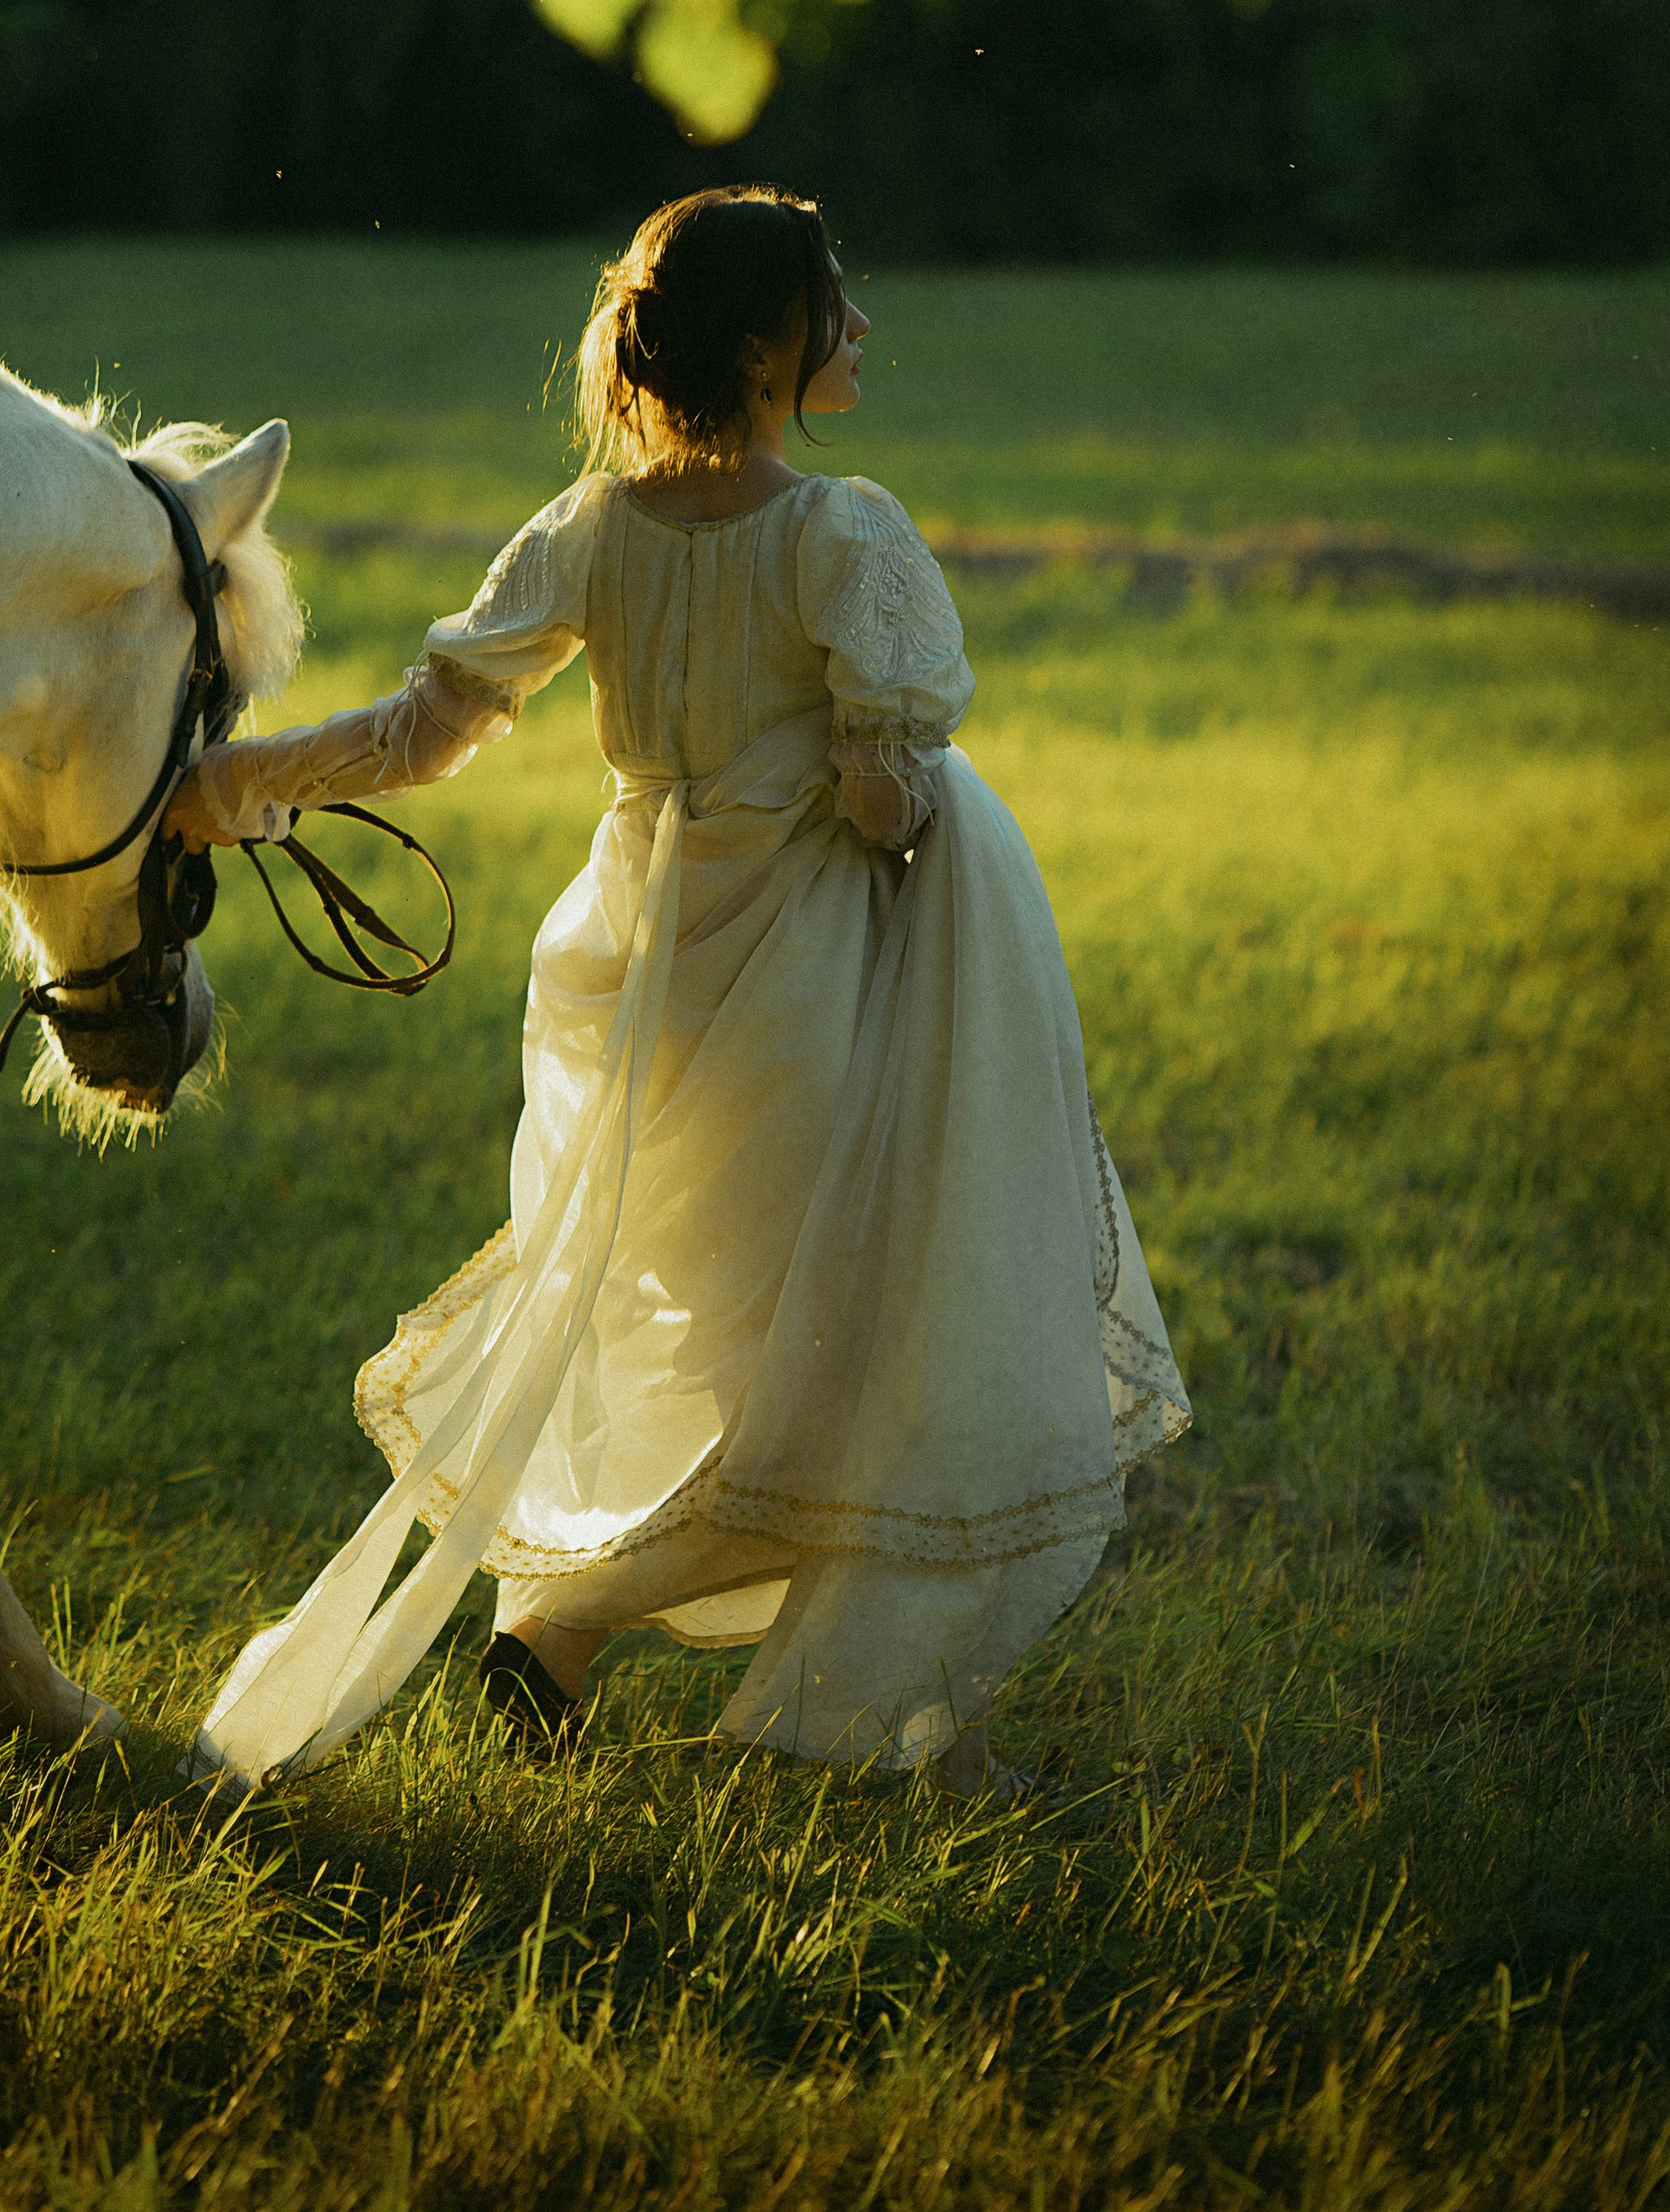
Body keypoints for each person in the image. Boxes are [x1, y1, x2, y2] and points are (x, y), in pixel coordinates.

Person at [167, 187, 1188, 1799]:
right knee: (852, 1326)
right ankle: (727, 1663)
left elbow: (425, 730)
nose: (863, 333)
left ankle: (640, 1650)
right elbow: (877, 804)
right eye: (840, 310)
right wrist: (921, 797)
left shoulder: (589, 528)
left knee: (713, 1318)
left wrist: (231, 787)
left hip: (641, 962)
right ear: (776, 346)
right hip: (801, 962)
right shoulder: (839, 532)